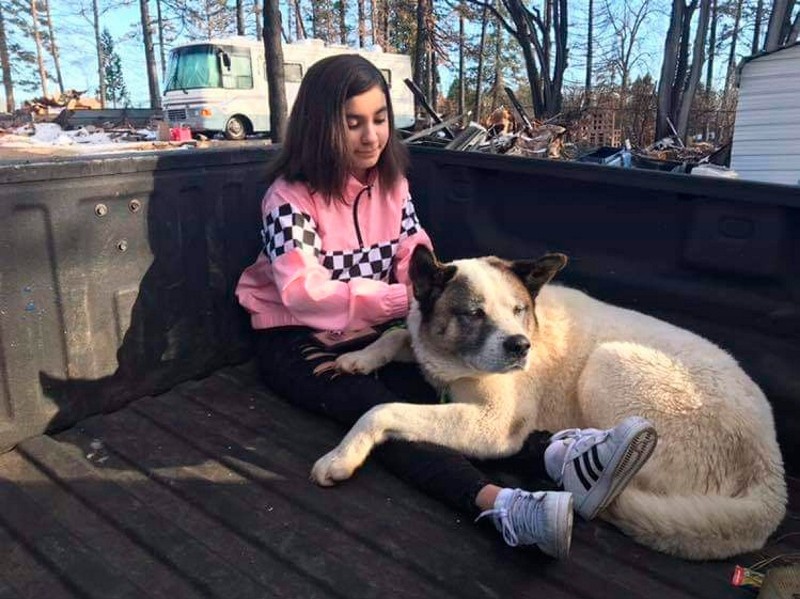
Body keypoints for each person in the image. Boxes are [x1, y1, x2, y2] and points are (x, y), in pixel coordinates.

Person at [235, 54, 656, 559]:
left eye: (380, 119)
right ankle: (500, 506)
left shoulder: (392, 185)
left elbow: (414, 256)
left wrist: (417, 300)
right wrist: (406, 302)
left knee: (440, 396)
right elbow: (304, 293)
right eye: (353, 123)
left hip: (372, 324)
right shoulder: (289, 200)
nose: (371, 137)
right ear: (319, 126)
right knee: (368, 405)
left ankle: (559, 457)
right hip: (294, 335)